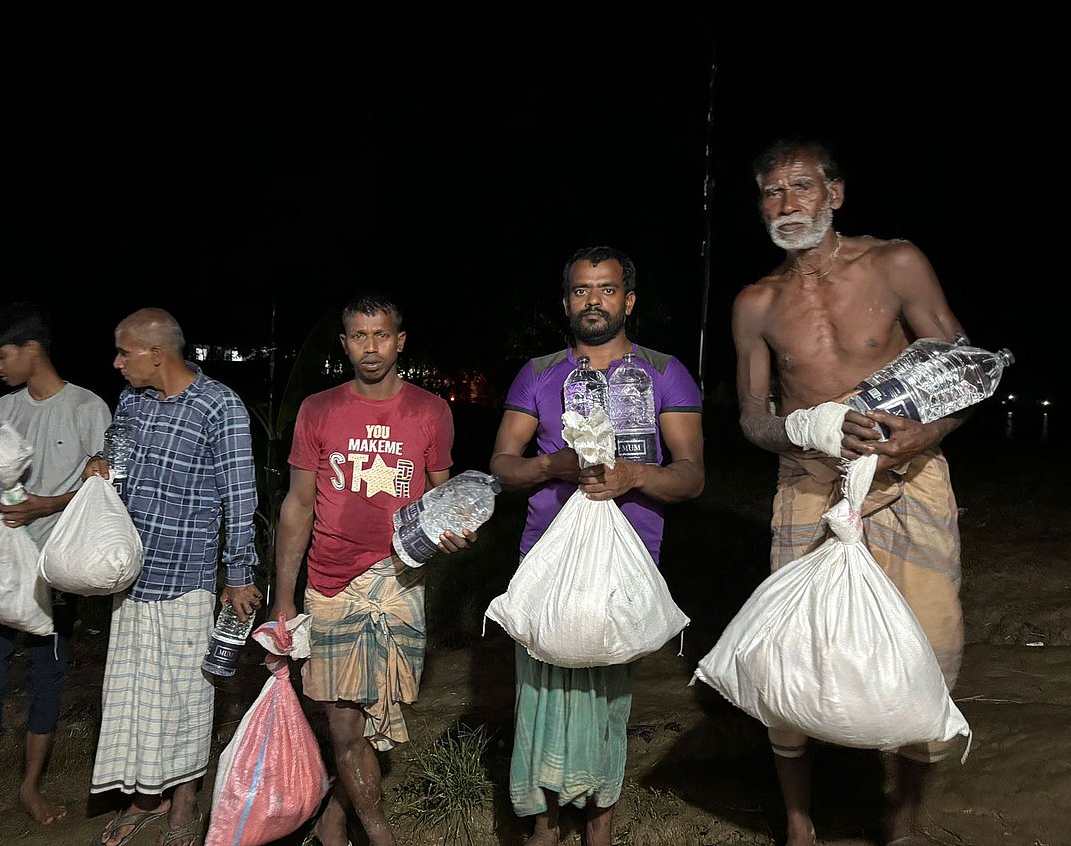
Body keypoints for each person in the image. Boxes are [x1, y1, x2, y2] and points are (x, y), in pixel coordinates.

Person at [730, 137, 969, 846]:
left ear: (834, 194)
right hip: (810, 482)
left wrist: (924, 436)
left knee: (929, 644)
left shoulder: (896, 264)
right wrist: (808, 427)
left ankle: (900, 821)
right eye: (772, 192)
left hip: (909, 475)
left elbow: (966, 372)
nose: (787, 204)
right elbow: (751, 418)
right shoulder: (756, 303)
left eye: (801, 188)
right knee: (791, 650)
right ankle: (799, 826)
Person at [489, 245, 705, 846]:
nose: (594, 300)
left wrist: (635, 476)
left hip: (628, 559)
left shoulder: (663, 373)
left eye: (607, 290)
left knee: (609, 694)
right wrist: (553, 465)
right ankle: (544, 822)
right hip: (548, 557)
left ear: (628, 301)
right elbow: (503, 465)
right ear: (566, 302)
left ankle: (599, 821)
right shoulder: (538, 373)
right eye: (582, 290)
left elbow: (691, 475)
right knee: (540, 689)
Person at [271, 292, 475, 846]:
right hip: (330, 581)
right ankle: (378, 833)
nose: (370, 347)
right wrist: (283, 599)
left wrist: (458, 527)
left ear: (400, 341)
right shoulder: (319, 409)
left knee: (377, 718)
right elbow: (296, 506)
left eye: (381, 334)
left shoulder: (430, 411)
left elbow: (442, 495)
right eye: (359, 336)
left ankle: (332, 822)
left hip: (400, 579)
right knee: (342, 722)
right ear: (344, 344)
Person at [0, 302, 113, 846]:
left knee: (46, 679)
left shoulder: (88, 408)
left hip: (55, 568)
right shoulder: (0, 411)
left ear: (32, 349)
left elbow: (104, 489)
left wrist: (43, 506)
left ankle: (30, 789)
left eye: (1, 355)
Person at [84, 307, 262, 846]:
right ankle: (145, 798)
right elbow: (118, 459)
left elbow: (240, 495)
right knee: (136, 694)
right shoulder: (132, 402)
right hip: (132, 573)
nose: (117, 363)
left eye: (125, 352)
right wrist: (99, 463)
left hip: (188, 576)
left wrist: (238, 575)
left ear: (158, 353)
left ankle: (182, 804)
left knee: (187, 695)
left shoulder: (219, 406)